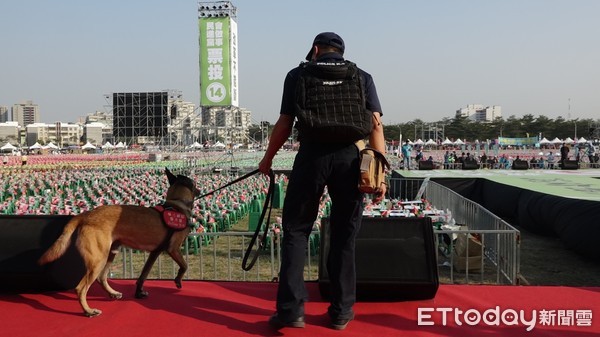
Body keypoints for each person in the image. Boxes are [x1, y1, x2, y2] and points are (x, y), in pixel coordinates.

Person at [258, 32, 385, 331]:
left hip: (311, 157)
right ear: (341, 52)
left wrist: (267, 159)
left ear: (315, 50)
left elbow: (285, 123)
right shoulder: (362, 76)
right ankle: (341, 312)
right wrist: (380, 174)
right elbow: (376, 126)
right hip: (349, 160)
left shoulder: (297, 74)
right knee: (344, 236)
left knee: (296, 231)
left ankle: (291, 311)